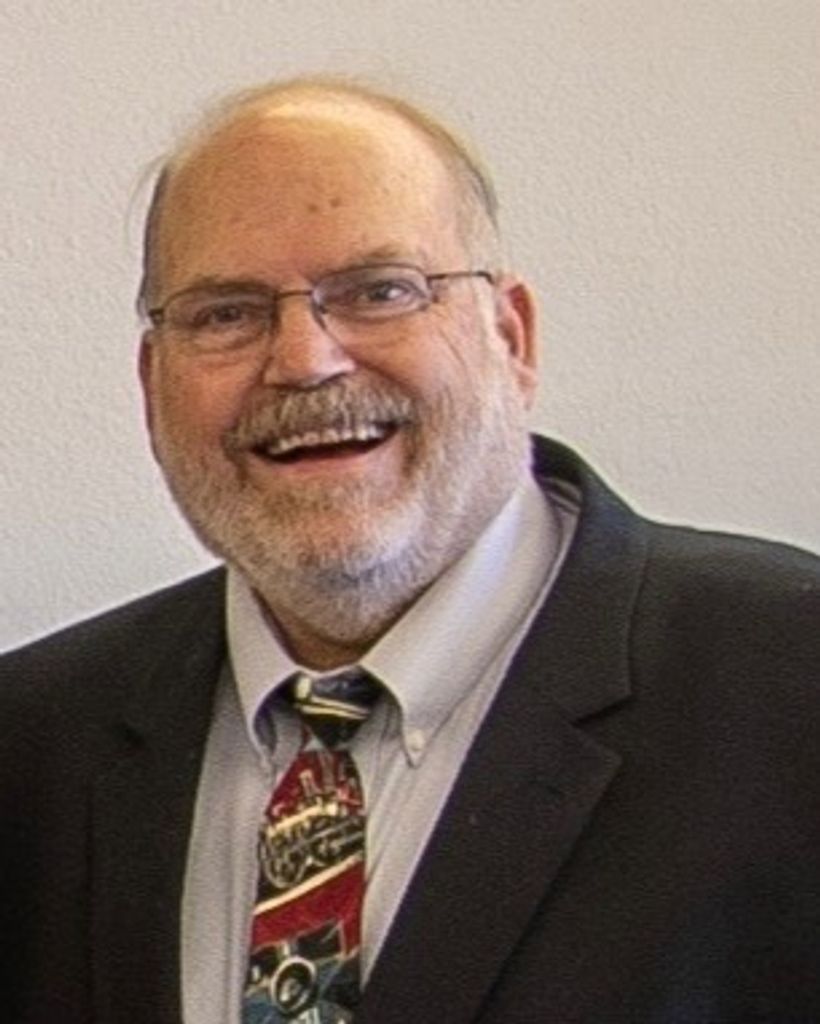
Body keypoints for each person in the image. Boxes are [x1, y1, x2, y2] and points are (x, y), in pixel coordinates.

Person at [1, 76, 819, 1024]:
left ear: (510, 337)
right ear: (152, 385)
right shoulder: (31, 750)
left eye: (380, 291)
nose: (304, 361)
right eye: (226, 312)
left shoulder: (789, 688)